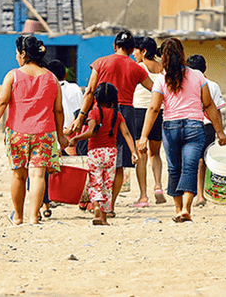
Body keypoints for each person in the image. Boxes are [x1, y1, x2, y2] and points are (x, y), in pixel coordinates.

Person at [138, 38, 226, 223]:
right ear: (183, 54)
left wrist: (143, 137)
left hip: (171, 127)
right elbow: (209, 105)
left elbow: (154, 109)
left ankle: (178, 208)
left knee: (174, 169)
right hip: (194, 127)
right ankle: (186, 209)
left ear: (163, 57)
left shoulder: (162, 80)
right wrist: (220, 132)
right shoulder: (197, 76)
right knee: (190, 167)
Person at [0, 35, 68, 225]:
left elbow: (1, 102)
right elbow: (58, 110)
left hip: (17, 132)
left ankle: (18, 216)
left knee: (18, 175)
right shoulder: (51, 78)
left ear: (23, 53)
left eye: (17, 53)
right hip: (44, 132)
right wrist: (60, 136)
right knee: (38, 176)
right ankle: (33, 217)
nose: (16, 57)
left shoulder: (13, 75)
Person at [69, 30, 153, 217]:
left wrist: (81, 117)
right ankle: (110, 206)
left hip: (99, 112)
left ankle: (94, 201)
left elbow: (90, 90)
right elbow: (154, 90)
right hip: (125, 113)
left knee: (94, 158)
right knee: (118, 164)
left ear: (114, 46)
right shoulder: (137, 68)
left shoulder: (100, 62)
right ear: (132, 49)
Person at [69, 83, 139, 225]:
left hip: (95, 152)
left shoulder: (93, 113)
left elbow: (92, 131)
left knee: (95, 182)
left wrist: (76, 138)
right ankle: (105, 216)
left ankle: (95, 208)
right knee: (107, 184)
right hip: (111, 153)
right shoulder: (117, 115)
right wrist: (133, 152)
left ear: (96, 98)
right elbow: (126, 134)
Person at [187, 54, 226, 208]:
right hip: (208, 126)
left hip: (191, 124)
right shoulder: (213, 85)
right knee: (205, 161)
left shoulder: (185, 85)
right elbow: (217, 111)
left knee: (193, 160)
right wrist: (220, 131)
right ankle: (203, 193)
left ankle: (195, 193)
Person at [132, 36, 165, 207]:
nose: (133, 54)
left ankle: (143, 195)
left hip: (139, 112)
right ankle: (158, 186)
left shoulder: (139, 67)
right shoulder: (162, 68)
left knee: (141, 156)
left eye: (136, 50)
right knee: (155, 153)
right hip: (159, 113)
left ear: (143, 51)